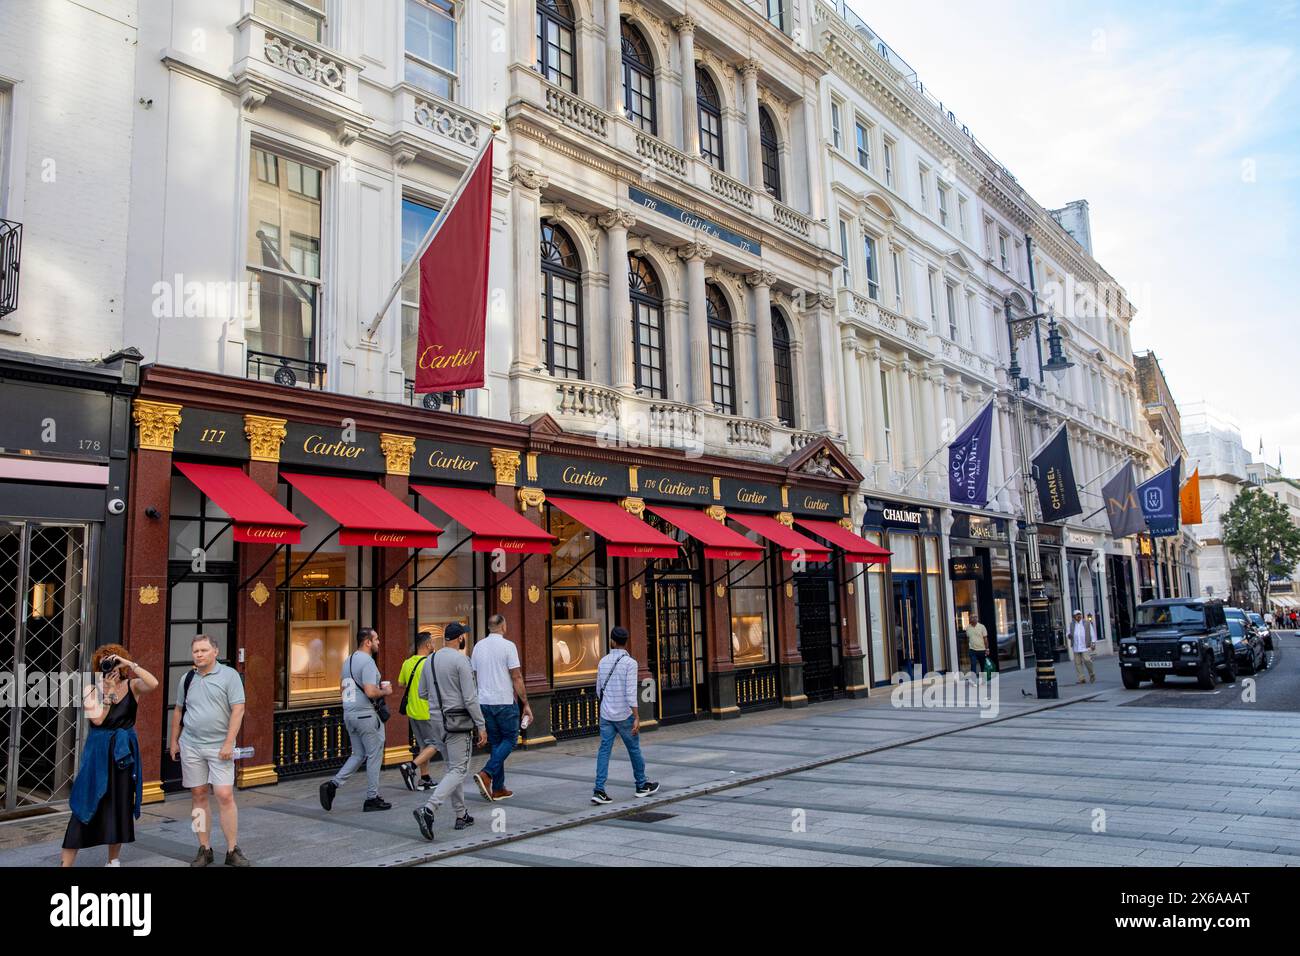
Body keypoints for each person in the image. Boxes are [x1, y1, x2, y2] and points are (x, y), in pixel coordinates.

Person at [62, 645, 158, 867]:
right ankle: (65, 864)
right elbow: (98, 720)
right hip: (99, 752)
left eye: (114, 661)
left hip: (123, 754)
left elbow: (154, 683)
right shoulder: (91, 689)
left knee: (120, 803)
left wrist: (131, 665)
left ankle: (113, 860)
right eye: (104, 662)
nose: (109, 666)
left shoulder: (133, 685)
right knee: (86, 800)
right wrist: (109, 692)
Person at [168, 634, 249, 866]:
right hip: (191, 745)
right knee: (198, 795)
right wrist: (174, 740)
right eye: (196, 651)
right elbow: (178, 711)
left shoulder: (229, 676)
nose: (199, 655)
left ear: (215, 652)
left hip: (219, 747)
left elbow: (238, 710)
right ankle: (204, 848)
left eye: (204, 650)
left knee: (224, 794)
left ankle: (233, 849)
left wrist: (228, 743)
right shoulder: (187, 678)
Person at [413, 623, 487, 840]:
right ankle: (428, 809)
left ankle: (461, 814)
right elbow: (470, 697)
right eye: (464, 635)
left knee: (452, 768)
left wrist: (440, 701)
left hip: (436, 721)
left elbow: (422, 693)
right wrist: (481, 725)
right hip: (457, 722)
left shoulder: (429, 660)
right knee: (459, 769)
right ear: (459, 638)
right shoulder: (461, 660)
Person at [320, 627, 393, 813]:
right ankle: (372, 797)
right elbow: (370, 691)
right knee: (374, 755)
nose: (378, 642)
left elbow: (342, 689)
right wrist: (386, 691)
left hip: (349, 713)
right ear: (367, 642)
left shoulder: (348, 661)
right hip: (366, 715)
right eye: (376, 639)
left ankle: (332, 785)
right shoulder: (367, 662)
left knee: (358, 754)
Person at [591, 627, 658, 805]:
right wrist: (636, 716)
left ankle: (599, 790)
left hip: (606, 715)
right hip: (623, 715)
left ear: (612, 641)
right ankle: (641, 784)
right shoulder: (630, 663)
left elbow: (598, 689)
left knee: (604, 750)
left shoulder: (603, 661)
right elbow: (630, 692)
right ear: (626, 641)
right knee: (634, 749)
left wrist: (607, 704)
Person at [471, 614, 534, 802]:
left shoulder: (477, 647)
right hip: (504, 701)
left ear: (489, 627)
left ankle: (498, 788)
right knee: (511, 739)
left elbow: (474, 675)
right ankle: (486, 773)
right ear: (503, 626)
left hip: (484, 702)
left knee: (497, 744)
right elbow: (516, 676)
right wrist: (526, 704)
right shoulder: (508, 646)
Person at [397, 631, 438, 792]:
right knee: (435, 744)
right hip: (427, 711)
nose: (433, 645)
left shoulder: (407, 663)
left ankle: (424, 779)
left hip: (412, 711)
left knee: (424, 745)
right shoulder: (429, 663)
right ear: (428, 645)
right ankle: (410, 766)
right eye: (432, 642)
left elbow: (401, 684)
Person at [1069, 610, 1096, 684]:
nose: (1078, 616)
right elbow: (1068, 633)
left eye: (1079, 614)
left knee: (1087, 660)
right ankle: (1081, 678)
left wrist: (1093, 643)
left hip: (1085, 646)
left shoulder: (1087, 623)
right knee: (1078, 663)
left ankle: (1092, 674)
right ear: (1074, 617)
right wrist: (1069, 635)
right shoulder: (1072, 624)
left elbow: (1092, 634)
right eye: (1077, 615)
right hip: (1076, 646)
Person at [964, 613, 989, 681]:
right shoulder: (968, 628)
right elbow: (968, 639)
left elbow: (985, 638)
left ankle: (983, 680)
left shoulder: (982, 627)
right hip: (972, 650)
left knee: (982, 666)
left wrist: (987, 649)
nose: (974, 618)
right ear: (970, 619)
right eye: (972, 617)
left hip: (982, 649)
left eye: (975, 617)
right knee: (973, 665)